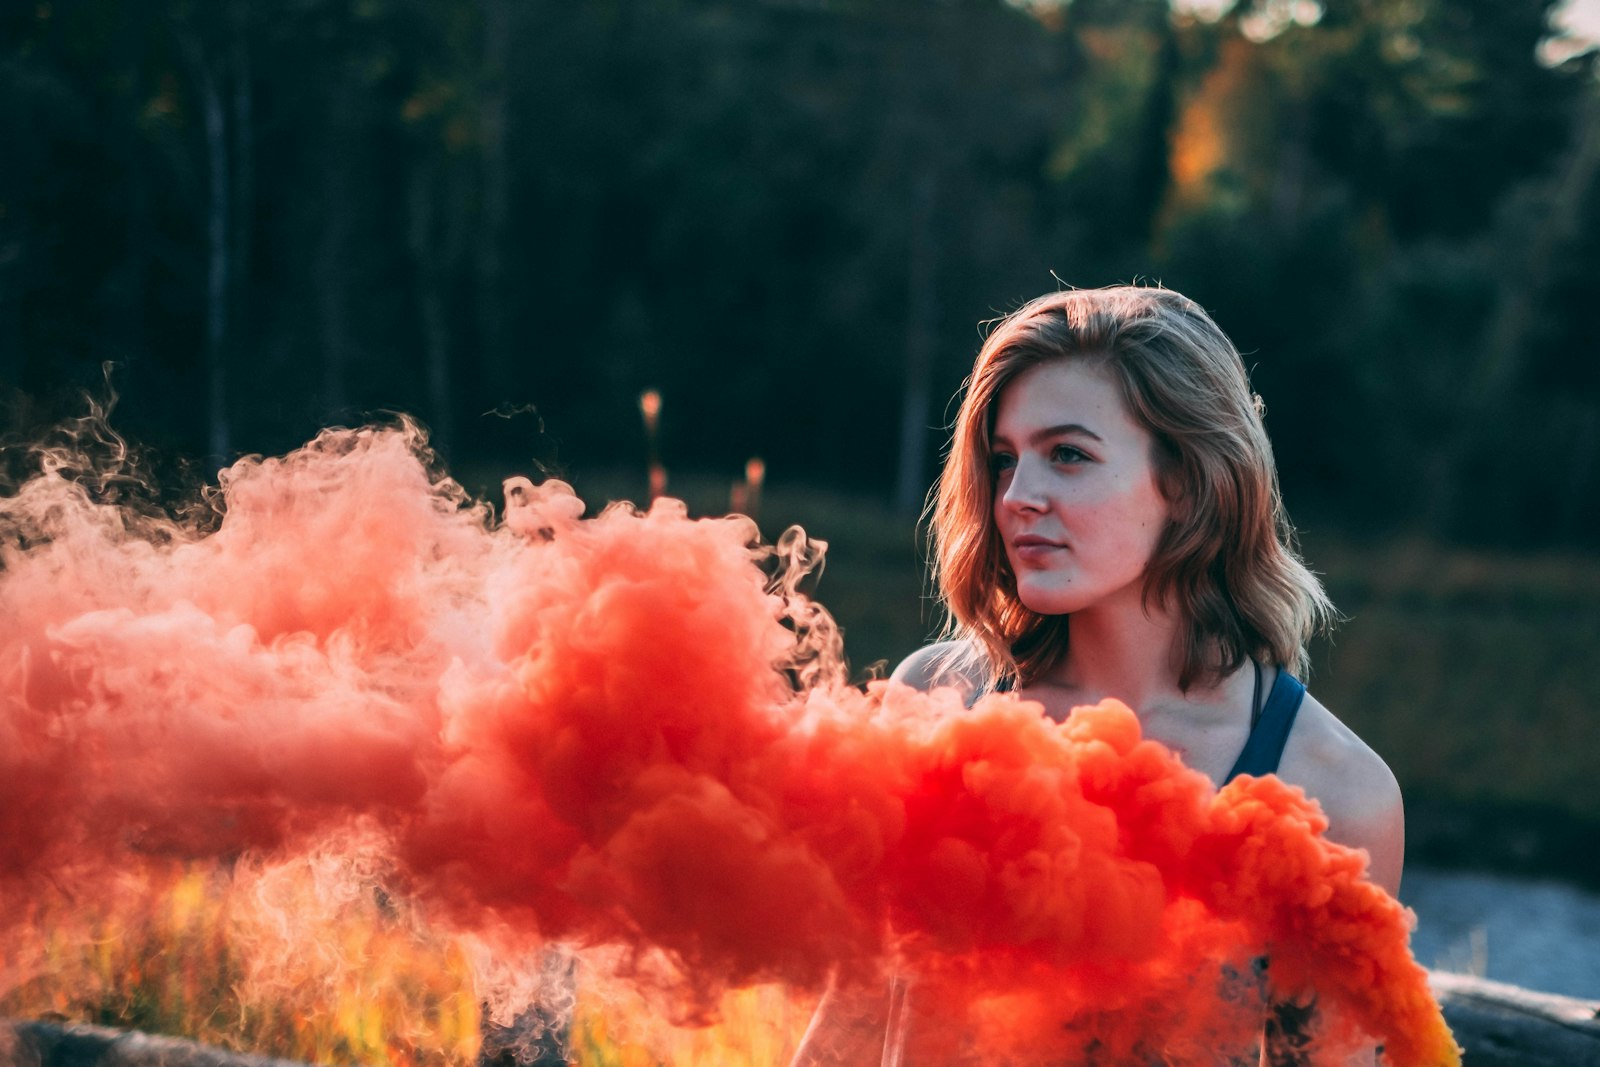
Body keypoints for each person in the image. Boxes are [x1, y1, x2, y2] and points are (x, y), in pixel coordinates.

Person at [790, 285, 1403, 1067]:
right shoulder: (937, 703)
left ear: (1185, 479)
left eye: (1069, 455)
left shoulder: (1334, 794)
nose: (1018, 497)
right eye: (1004, 459)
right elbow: (845, 1032)